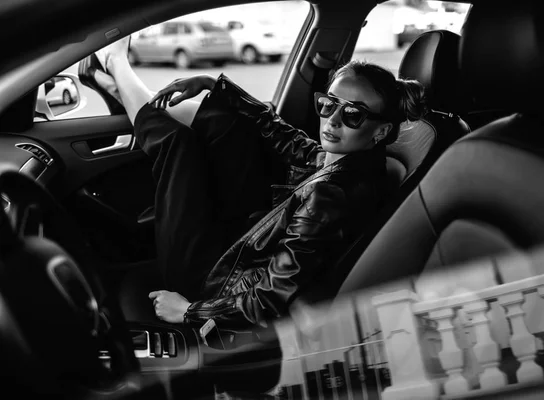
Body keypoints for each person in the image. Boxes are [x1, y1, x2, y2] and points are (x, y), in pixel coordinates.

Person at [82, 36, 427, 331]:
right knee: (225, 123)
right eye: (327, 105)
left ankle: (118, 67)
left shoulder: (330, 196)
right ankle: (124, 88)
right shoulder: (348, 161)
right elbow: (282, 134)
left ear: (381, 131)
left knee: (177, 146)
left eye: (353, 115)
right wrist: (213, 86)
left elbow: (271, 298)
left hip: (208, 284)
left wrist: (188, 311)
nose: (333, 121)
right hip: (239, 251)